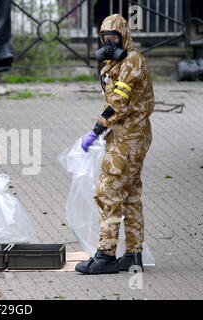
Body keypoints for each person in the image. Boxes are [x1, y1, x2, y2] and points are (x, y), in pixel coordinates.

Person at [75, 14, 154, 274]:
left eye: (114, 38)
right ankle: (133, 254)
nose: (109, 43)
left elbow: (118, 104)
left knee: (107, 192)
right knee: (130, 196)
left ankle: (106, 255)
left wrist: (96, 130)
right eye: (105, 38)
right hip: (129, 137)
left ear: (124, 36)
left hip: (127, 139)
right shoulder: (117, 63)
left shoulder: (131, 62)